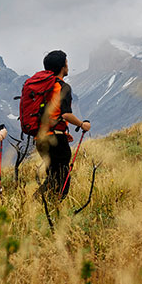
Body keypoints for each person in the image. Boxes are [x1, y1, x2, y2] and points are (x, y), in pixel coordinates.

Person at [36, 50, 91, 201]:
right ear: (62, 66)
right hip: (55, 140)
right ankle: (34, 205)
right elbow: (65, 114)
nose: (68, 66)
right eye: (66, 63)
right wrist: (82, 124)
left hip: (41, 139)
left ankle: (41, 207)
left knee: (54, 176)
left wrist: (61, 130)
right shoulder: (62, 87)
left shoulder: (43, 87)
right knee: (62, 181)